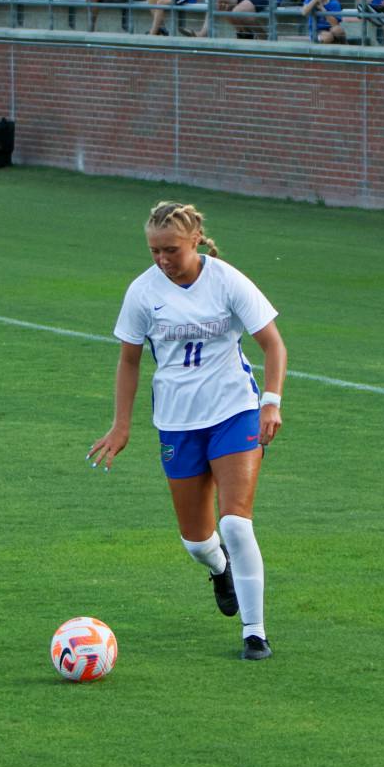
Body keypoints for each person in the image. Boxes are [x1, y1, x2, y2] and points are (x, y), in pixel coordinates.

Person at [91, 201, 288, 662]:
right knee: (199, 542)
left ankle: (254, 633)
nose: (162, 260)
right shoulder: (143, 292)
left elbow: (273, 345)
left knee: (235, 523)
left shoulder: (228, 281)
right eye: (155, 251)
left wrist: (270, 403)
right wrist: (122, 426)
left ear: (195, 240)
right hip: (178, 422)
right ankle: (219, 570)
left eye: (171, 250)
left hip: (234, 411)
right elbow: (129, 360)